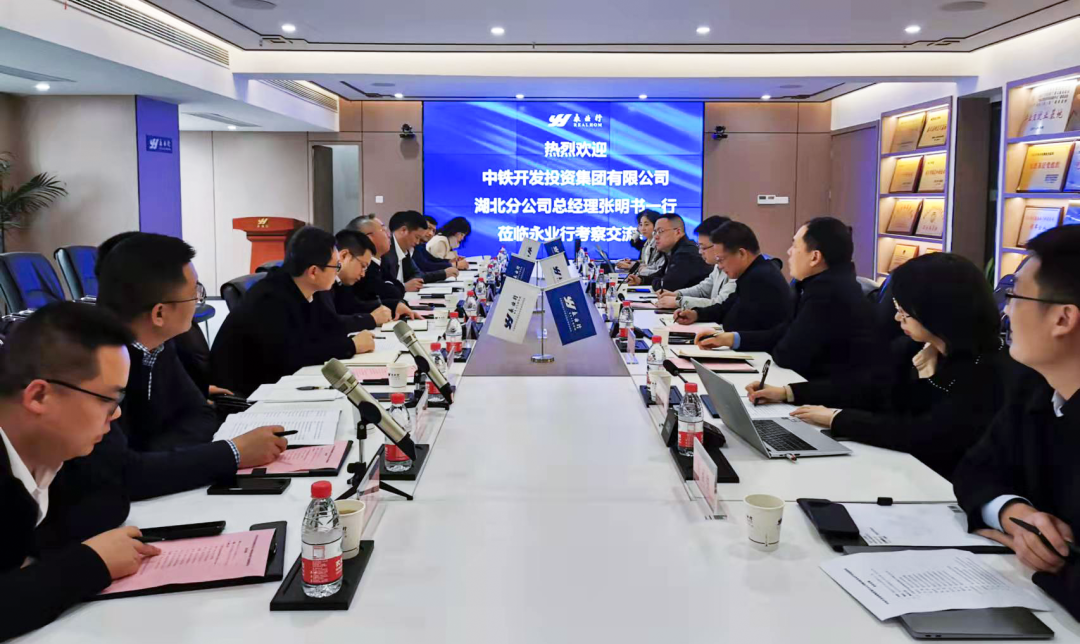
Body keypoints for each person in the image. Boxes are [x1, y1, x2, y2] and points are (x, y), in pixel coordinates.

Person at [748, 253, 1012, 481]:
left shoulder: (989, 371)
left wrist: (837, 418)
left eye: (904, 311)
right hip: (899, 470)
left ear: (937, 312)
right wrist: (788, 392)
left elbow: (924, 434)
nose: (897, 317)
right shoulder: (914, 347)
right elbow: (867, 388)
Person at [0, 303, 165, 640]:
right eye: (108, 400)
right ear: (39, 396)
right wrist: (91, 563)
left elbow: (112, 497)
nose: (116, 415)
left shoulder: (51, 448)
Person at [953, 226, 1080, 617]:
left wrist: (1051, 561)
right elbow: (975, 469)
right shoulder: (1036, 386)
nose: (1006, 311)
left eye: (1015, 296)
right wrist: (1015, 514)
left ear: (1063, 318)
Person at [694, 217, 876, 380]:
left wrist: (787, 392)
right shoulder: (820, 285)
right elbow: (783, 332)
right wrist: (729, 339)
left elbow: (787, 354)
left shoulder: (827, 294)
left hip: (822, 394)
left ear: (815, 257)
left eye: (795, 246)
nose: (789, 252)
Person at [96, 233, 226, 451]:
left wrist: (156, 457)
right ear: (159, 313)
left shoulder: (159, 344)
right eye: (193, 293)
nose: (197, 300)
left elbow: (200, 413)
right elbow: (120, 465)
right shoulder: (97, 363)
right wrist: (232, 453)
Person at [210, 226, 375, 397]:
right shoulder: (271, 298)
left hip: (276, 383)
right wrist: (351, 346)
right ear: (313, 272)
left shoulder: (304, 288)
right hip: (244, 395)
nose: (337, 272)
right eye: (336, 266)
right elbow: (293, 355)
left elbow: (326, 328)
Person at [674, 221, 791, 333]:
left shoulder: (759, 278)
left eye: (721, 260)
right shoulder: (751, 273)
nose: (720, 266)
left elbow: (733, 324)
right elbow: (726, 307)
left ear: (741, 253)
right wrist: (696, 314)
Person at [345, 215, 422, 321]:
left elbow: (397, 289)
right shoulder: (357, 270)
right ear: (369, 238)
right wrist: (394, 303)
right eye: (383, 230)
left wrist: (396, 303)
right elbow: (391, 292)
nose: (389, 234)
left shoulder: (383, 260)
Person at [656, 216, 735, 310]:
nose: (700, 252)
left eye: (703, 247)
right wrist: (677, 294)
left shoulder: (735, 269)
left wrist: (679, 301)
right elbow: (703, 289)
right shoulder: (718, 265)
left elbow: (720, 304)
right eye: (699, 246)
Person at [325, 229, 392, 331]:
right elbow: (329, 324)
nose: (363, 274)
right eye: (363, 266)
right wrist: (371, 319)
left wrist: (392, 307)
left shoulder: (341, 283)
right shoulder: (321, 282)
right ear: (344, 256)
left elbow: (352, 307)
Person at [626, 213, 710, 292]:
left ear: (677, 232)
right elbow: (660, 275)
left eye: (660, 231)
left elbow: (667, 285)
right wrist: (641, 280)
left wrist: (659, 281)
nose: (656, 237)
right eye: (655, 232)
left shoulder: (686, 254)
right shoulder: (673, 250)